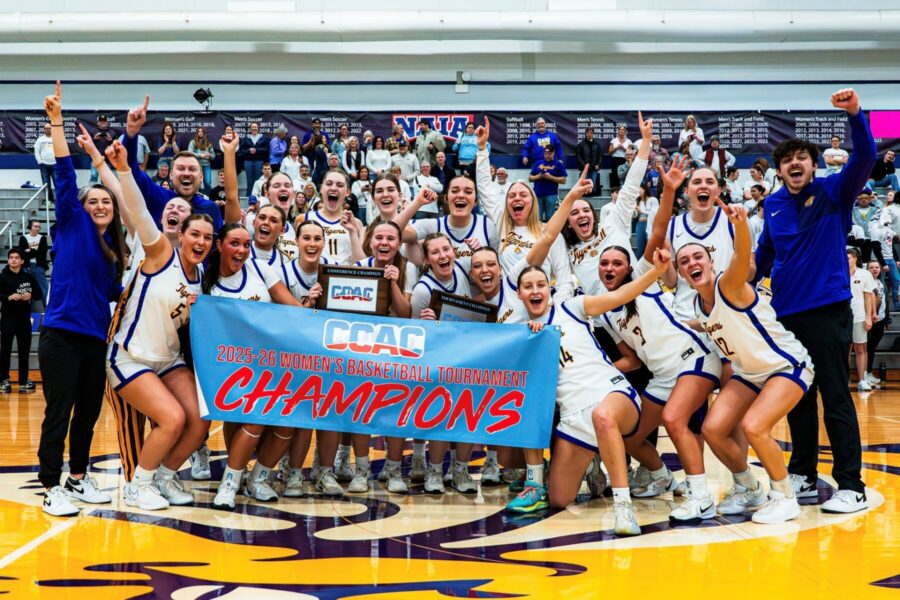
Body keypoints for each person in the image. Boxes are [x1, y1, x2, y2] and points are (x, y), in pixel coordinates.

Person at [755, 88, 874, 513]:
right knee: (797, 398)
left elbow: (865, 157)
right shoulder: (772, 206)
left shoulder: (834, 193)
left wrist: (856, 114)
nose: (794, 164)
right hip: (785, 316)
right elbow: (763, 256)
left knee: (835, 396)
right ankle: (803, 473)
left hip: (826, 310)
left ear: (814, 163)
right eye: (787, 160)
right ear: (781, 170)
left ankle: (850, 484)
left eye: (802, 158)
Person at [519, 248, 671, 535]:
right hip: (573, 416)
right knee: (559, 499)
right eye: (528, 287)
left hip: (611, 394)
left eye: (541, 285)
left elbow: (619, 296)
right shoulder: (523, 333)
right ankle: (593, 463)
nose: (535, 291)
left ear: (549, 290)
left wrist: (656, 273)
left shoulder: (571, 308)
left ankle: (623, 507)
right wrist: (530, 340)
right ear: (520, 294)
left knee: (603, 417)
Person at [679, 201, 813, 525]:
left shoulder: (729, 284)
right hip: (748, 374)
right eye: (684, 261)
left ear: (711, 262)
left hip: (786, 366)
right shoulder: (698, 305)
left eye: (698, 257)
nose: (692, 263)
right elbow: (706, 322)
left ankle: (784, 496)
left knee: (754, 426)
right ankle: (749, 487)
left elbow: (742, 258)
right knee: (713, 428)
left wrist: (740, 225)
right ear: (681, 273)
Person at [105, 137, 215, 511]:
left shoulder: (201, 274)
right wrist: (123, 169)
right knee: (172, 419)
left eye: (207, 238)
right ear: (181, 235)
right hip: (130, 356)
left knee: (200, 418)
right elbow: (135, 209)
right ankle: (139, 484)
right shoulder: (161, 253)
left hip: (167, 360)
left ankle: (165, 478)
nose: (200, 241)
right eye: (194, 234)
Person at [37, 82, 126, 517]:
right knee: (59, 414)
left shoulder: (113, 253)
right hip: (61, 337)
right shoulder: (71, 224)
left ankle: (77, 476)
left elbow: (117, 296)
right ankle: (51, 485)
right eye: (94, 200)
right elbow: (64, 170)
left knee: (87, 415)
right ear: (82, 205)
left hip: (94, 342)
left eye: (106, 201)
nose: (100, 204)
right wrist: (57, 120)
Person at [202, 224, 302, 510]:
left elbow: (291, 307)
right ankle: (231, 482)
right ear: (220, 245)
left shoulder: (260, 269)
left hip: (271, 361)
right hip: (231, 368)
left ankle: (258, 477)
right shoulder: (206, 281)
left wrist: (318, 321)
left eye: (246, 245)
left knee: (290, 419)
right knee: (253, 416)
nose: (243, 250)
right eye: (235, 244)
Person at [122, 95, 223, 231]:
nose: (186, 173)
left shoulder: (211, 209)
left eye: (192, 169)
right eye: (180, 168)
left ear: (201, 177)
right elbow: (130, 169)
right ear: (170, 175)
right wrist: (131, 133)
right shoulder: (157, 196)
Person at [0, 248, 42, 393]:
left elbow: (39, 293)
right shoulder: (2, 277)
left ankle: (24, 381)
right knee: (5, 350)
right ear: (8, 260)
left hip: (24, 318)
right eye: (11, 257)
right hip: (8, 318)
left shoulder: (28, 277)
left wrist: (30, 295)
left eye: (17, 257)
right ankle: (3, 380)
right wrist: (8, 297)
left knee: (24, 350)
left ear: (22, 261)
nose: (13, 260)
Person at [848, 248, 876, 392]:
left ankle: (862, 380)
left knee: (861, 349)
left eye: (849, 258)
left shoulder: (864, 274)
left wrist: (868, 317)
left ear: (856, 259)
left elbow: (868, 297)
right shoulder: (837, 273)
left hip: (858, 317)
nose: (846, 260)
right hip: (842, 318)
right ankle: (844, 379)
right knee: (842, 350)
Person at [528, 145, 567, 222]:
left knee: (550, 218)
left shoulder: (558, 164)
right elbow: (530, 178)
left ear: (553, 153)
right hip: (537, 195)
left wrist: (550, 177)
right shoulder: (538, 163)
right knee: (537, 218)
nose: (547, 155)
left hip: (551, 195)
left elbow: (564, 180)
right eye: (545, 153)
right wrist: (539, 176)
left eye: (549, 153)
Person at [865, 259, 887, 388]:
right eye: (871, 267)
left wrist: (887, 318)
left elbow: (885, 302)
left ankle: (868, 372)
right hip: (870, 319)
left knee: (872, 347)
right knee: (867, 347)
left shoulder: (880, 282)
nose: (874, 269)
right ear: (867, 270)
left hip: (880, 319)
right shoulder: (867, 283)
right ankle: (865, 373)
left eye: (877, 267)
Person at [19, 219, 50, 310]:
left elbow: (43, 252)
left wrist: (30, 250)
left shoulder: (42, 238)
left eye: (39, 226)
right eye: (35, 226)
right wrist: (35, 252)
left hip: (38, 266)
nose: (38, 228)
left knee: (44, 289)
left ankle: (47, 311)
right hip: (26, 267)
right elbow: (22, 253)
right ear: (30, 227)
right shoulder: (24, 238)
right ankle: (26, 312)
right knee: (25, 289)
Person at [240, 122, 268, 195]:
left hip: (259, 161)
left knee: (258, 180)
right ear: (250, 128)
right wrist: (249, 150)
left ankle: (259, 196)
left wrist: (257, 150)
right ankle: (249, 198)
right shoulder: (246, 138)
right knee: (249, 181)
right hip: (248, 162)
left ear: (258, 128)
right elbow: (241, 151)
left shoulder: (263, 138)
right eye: (253, 127)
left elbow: (266, 149)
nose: (254, 128)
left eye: (255, 127)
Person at [576, 127, 603, 196]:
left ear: (593, 134)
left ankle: (592, 193)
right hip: (584, 168)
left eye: (591, 133)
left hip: (594, 168)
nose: (589, 134)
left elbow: (600, 156)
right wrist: (584, 165)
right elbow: (578, 156)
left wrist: (598, 165)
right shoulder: (581, 144)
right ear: (585, 134)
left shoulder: (597, 145)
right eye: (587, 133)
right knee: (584, 184)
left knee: (592, 184)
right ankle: (584, 194)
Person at [34, 122, 56, 203]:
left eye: (49, 128)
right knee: (46, 184)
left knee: (58, 183)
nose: (48, 130)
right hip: (44, 165)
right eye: (46, 128)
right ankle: (49, 200)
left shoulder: (55, 138)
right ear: (44, 129)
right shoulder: (40, 140)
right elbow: (36, 151)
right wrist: (39, 161)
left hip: (55, 165)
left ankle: (60, 200)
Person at [188, 127, 215, 192]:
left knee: (208, 183)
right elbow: (189, 153)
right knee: (197, 183)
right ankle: (197, 198)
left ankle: (207, 198)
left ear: (204, 133)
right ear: (197, 133)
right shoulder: (193, 142)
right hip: (197, 165)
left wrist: (209, 155)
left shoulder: (208, 143)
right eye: (199, 132)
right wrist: (201, 155)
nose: (200, 133)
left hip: (206, 165)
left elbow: (213, 156)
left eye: (202, 132)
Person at [89, 115, 115, 183]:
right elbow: (88, 143)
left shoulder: (112, 132)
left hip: (108, 159)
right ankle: (92, 193)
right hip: (95, 158)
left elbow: (116, 144)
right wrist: (94, 139)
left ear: (107, 122)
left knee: (106, 178)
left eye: (104, 121)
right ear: (98, 122)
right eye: (101, 121)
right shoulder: (93, 131)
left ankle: (106, 193)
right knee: (93, 175)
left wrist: (111, 140)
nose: (103, 123)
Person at [608, 124, 633, 189]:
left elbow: (630, 152)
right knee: (615, 175)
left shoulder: (629, 141)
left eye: (623, 130)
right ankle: (615, 190)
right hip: (615, 159)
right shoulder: (613, 140)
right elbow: (610, 152)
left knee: (625, 174)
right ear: (618, 132)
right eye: (620, 130)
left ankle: (624, 188)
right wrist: (616, 148)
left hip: (624, 159)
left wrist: (623, 148)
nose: (621, 131)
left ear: (625, 132)